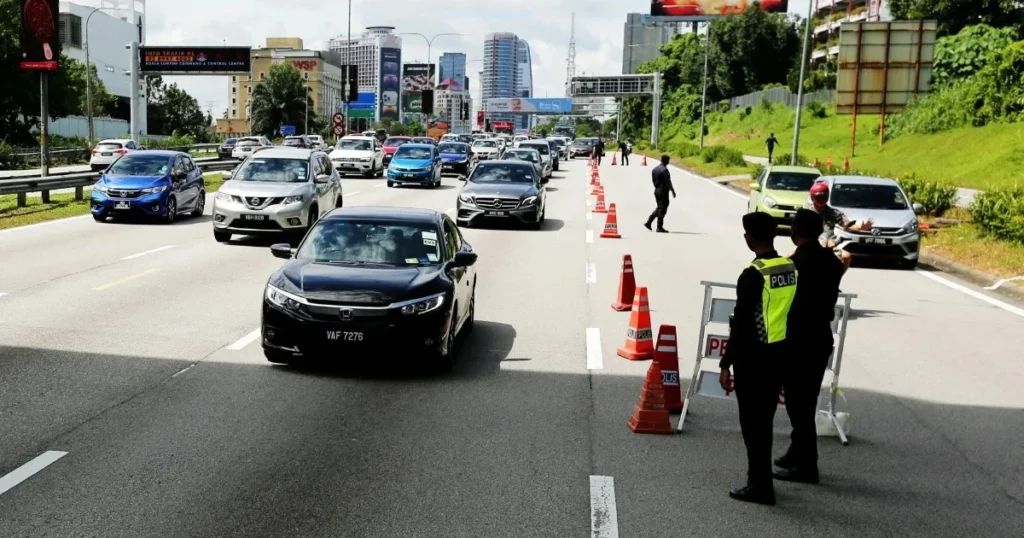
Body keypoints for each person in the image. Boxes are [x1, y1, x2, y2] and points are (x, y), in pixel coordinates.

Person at [719, 212, 798, 506]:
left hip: (754, 360)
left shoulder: (753, 274)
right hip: (779, 354)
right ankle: (761, 480)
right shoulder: (788, 267)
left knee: (753, 425)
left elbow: (741, 323)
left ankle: (760, 486)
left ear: (749, 237)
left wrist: (725, 363)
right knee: (764, 422)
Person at [774, 209, 845, 485]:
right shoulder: (831, 261)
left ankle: (806, 466)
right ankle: (796, 453)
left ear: (794, 232)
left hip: (797, 339)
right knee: (806, 400)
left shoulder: (794, 264)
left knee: (798, 406)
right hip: (819, 337)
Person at [806, 182, 873, 273]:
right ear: (812, 197)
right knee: (791, 258)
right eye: (818, 197)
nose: (821, 199)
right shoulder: (806, 212)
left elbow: (848, 225)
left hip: (829, 247)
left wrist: (861, 227)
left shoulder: (833, 213)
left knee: (846, 256)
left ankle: (836, 279)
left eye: (823, 196)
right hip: (809, 246)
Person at [644, 155, 676, 233]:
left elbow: (653, 180)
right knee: (663, 208)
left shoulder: (654, 169)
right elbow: (668, 181)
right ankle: (659, 227)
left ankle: (649, 222)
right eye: (668, 160)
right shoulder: (664, 170)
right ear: (666, 161)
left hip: (657, 189)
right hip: (663, 191)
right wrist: (672, 191)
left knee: (659, 207)